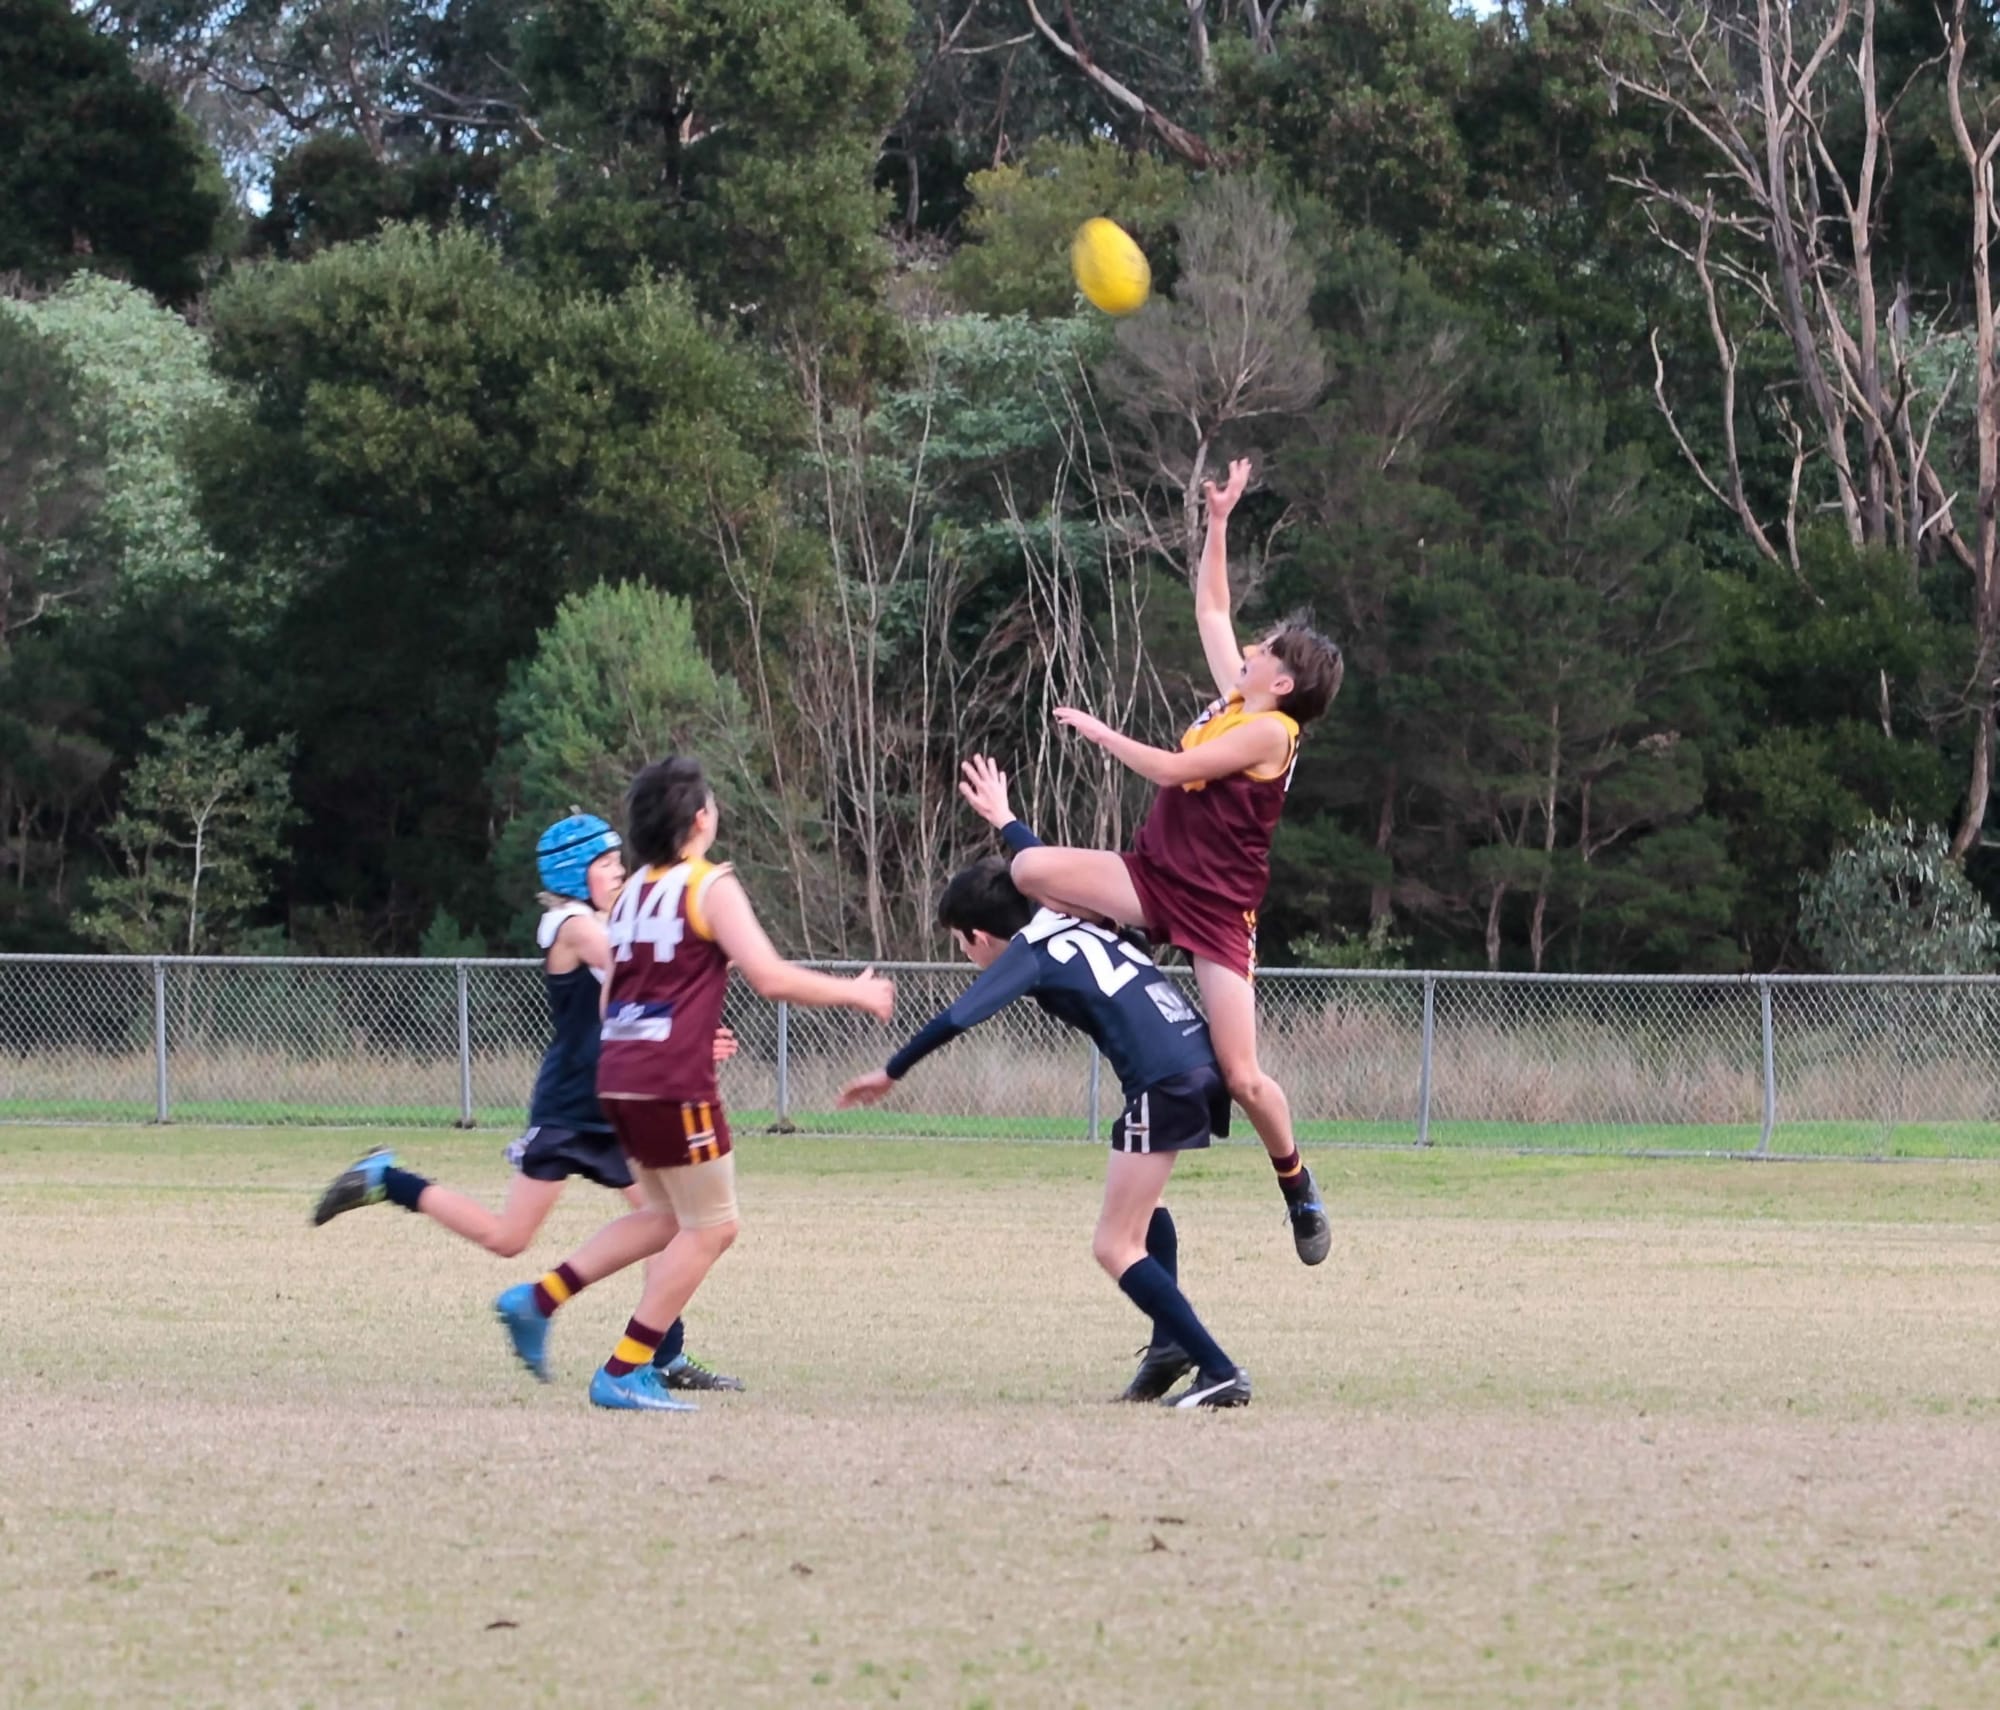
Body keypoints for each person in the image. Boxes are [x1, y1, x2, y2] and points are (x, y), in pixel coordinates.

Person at [1006, 459, 1342, 1266]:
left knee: (1242, 1076)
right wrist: (1220, 520)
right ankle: (1129, 961)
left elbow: (1170, 771)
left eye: (1263, 652)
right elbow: (1214, 604)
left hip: (1219, 914)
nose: (1249, 650)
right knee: (1029, 875)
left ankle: (1296, 1182)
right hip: (1154, 880)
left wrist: (1097, 729)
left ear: (1284, 680)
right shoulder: (1239, 697)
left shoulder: (1271, 733)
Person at [840, 756, 1250, 1408]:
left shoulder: (1031, 951)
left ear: (978, 935)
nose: (968, 956)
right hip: (1199, 1059)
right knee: (1145, 1214)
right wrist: (1004, 819)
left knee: (1114, 1244)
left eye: (961, 944)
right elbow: (1036, 857)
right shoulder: (1073, 912)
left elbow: (959, 1016)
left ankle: (1218, 1368)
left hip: (1166, 1079)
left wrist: (890, 1070)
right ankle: (1172, 1345)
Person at [493, 757, 895, 1412]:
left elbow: (610, 1001)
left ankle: (536, 1299)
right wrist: (854, 992)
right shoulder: (707, 886)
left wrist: (651, 1034)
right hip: (671, 1082)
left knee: (661, 1219)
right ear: (700, 818)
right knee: (712, 1228)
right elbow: (769, 977)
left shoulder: (629, 898)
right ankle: (624, 1368)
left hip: (617, 1076)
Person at [310, 812, 742, 1392]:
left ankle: (661, 1357)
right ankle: (387, 1178)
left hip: (617, 1100)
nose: (620, 873)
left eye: (620, 862)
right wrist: (710, 930)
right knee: (509, 1237)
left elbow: (645, 998)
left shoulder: (605, 919)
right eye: (608, 864)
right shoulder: (570, 924)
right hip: (570, 1108)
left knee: (665, 1224)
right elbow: (642, 971)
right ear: (574, 872)